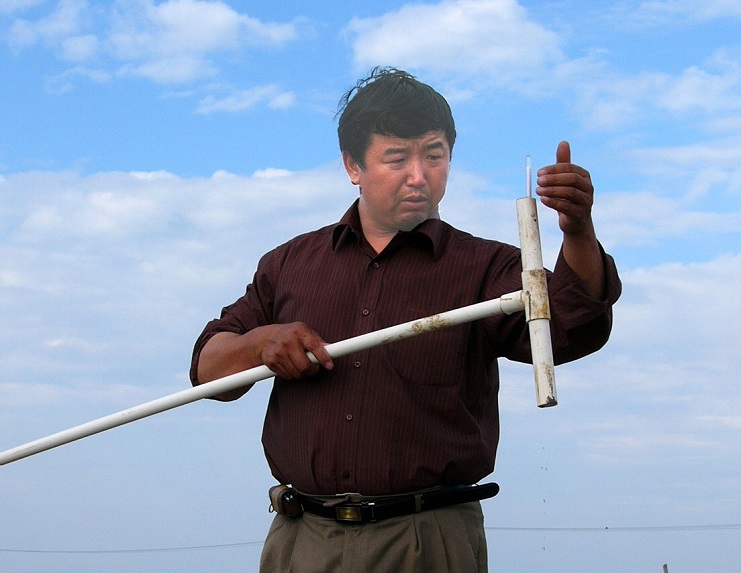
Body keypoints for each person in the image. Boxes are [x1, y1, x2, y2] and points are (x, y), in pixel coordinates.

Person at [190, 67, 621, 572]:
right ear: (353, 165)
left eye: (434, 156)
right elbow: (208, 370)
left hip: (428, 541)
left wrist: (578, 230)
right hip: (301, 540)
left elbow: (571, 327)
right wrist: (260, 344)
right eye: (397, 158)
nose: (419, 176)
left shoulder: (487, 268)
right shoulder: (288, 265)